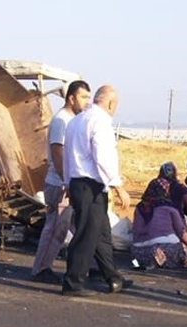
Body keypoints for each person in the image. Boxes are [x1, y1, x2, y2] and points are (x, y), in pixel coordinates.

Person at [62, 85, 133, 296]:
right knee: (86, 234)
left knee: (101, 234)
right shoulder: (100, 122)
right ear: (111, 103)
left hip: (79, 182)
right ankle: (73, 282)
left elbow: (68, 156)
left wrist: (67, 182)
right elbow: (103, 157)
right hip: (90, 185)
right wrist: (118, 186)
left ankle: (112, 277)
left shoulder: (76, 121)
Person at [31, 80, 92, 284]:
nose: (86, 102)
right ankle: (41, 269)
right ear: (71, 98)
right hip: (60, 184)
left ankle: (93, 267)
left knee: (81, 227)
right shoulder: (61, 121)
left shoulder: (74, 120)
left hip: (70, 183)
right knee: (56, 229)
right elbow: (58, 152)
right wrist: (67, 181)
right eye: (83, 97)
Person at [131, 178, 187, 268]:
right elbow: (182, 232)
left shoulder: (139, 207)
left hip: (138, 255)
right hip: (163, 252)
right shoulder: (169, 207)